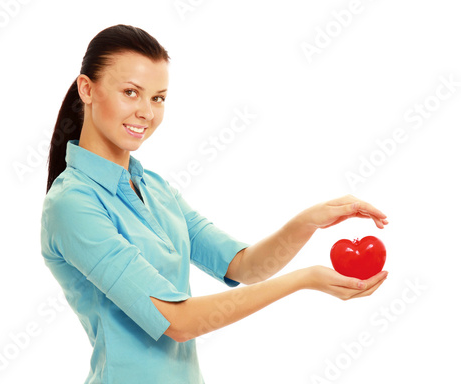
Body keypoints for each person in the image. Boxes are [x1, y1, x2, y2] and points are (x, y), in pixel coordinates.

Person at [40, 24, 389, 384]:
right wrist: (305, 280)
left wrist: (309, 221)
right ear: (87, 89)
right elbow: (179, 322)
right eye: (131, 92)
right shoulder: (72, 204)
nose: (147, 112)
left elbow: (244, 266)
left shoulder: (155, 188)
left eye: (158, 98)